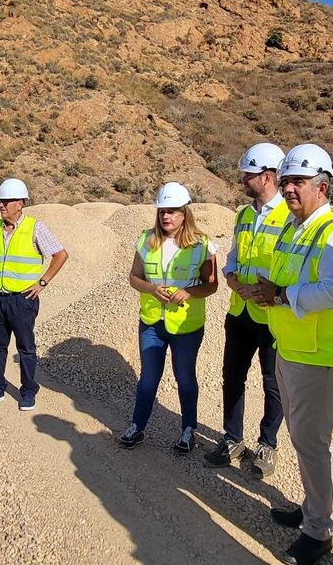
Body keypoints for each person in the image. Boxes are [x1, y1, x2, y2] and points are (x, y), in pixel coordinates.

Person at [261, 143, 333, 565]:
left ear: (322, 187)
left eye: (297, 182)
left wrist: (282, 294)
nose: (288, 189)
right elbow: (283, 276)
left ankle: (319, 530)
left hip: (320, 354)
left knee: (313, 442)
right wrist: (265, 290)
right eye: (285, 182)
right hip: (291, 347)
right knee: (303, 439)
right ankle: (311, 507)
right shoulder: (293, 226)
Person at [204, 142, 289, 478]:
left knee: (273, 383)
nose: (242, 179)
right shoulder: (242, 214)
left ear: (267, 177)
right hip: (239, 311)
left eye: (248, 174)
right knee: (232, 378)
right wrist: (232, 279)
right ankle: (232, 439)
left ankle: (267, 444)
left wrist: (271, 293)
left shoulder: (289, 217)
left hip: (271, 316)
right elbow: (233, 256)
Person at [119, 182, 219, 453]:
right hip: (152, 321)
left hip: (186, 324)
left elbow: (212, 284)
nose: (166, 216)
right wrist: (151, 288)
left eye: (173, 211)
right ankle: (137, 427)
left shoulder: (203, 245)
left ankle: (188, 429)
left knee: (184, 377)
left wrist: (188, 292)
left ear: (185, 213)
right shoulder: (145, 240)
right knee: (148, 377)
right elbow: (134, 278)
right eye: (163, 211)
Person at [0, 178, 69, 412]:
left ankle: (27, 391)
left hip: (23, 300)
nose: (1, 205)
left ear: (20, 203)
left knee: (26, 347)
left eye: (6, 201)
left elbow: (61, 255)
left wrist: (42, 282)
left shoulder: (36, 228)